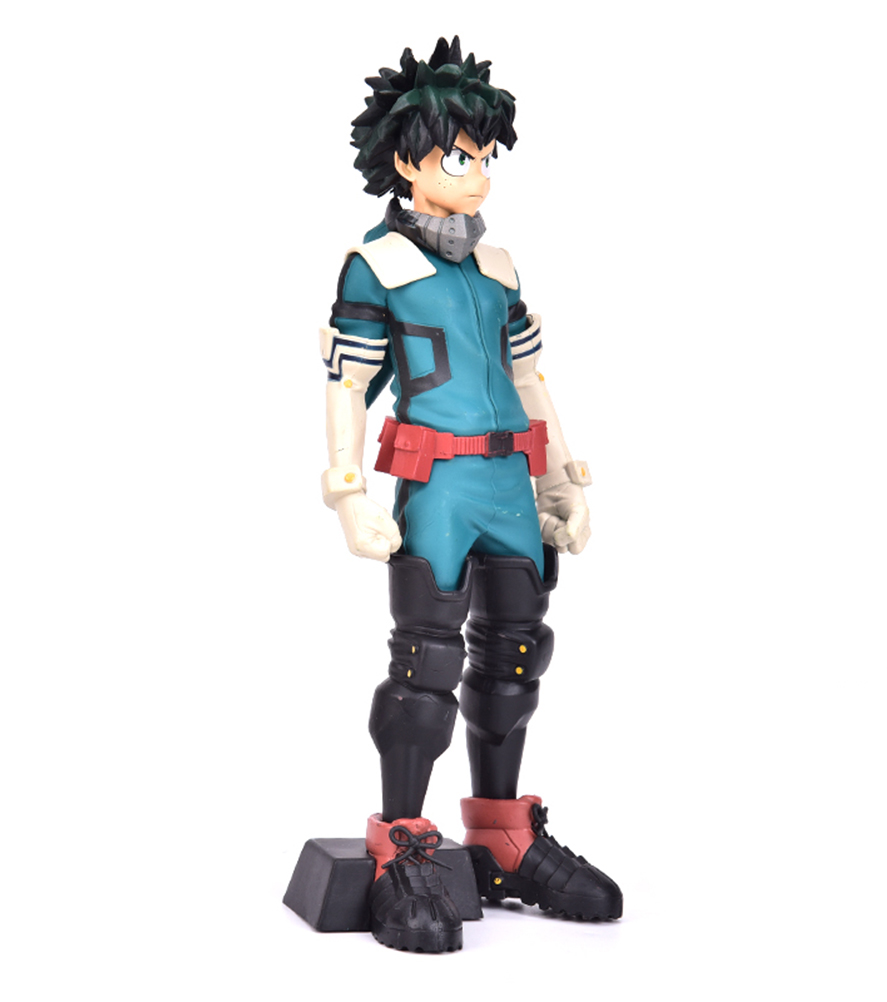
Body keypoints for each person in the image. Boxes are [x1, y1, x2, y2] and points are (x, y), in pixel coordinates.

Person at [320, 36, 621, 952]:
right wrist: (348, 492)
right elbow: (347, 382)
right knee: (426, 665)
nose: (479, 172)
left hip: (506, 482)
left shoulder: (498, 269)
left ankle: (501, 836)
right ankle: (400, 847)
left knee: (516, 656)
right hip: (440, 483)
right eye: (459, 156)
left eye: (484, 155)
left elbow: (529, 378)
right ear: (407, 162)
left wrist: (561, 480)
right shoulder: (378, 266)